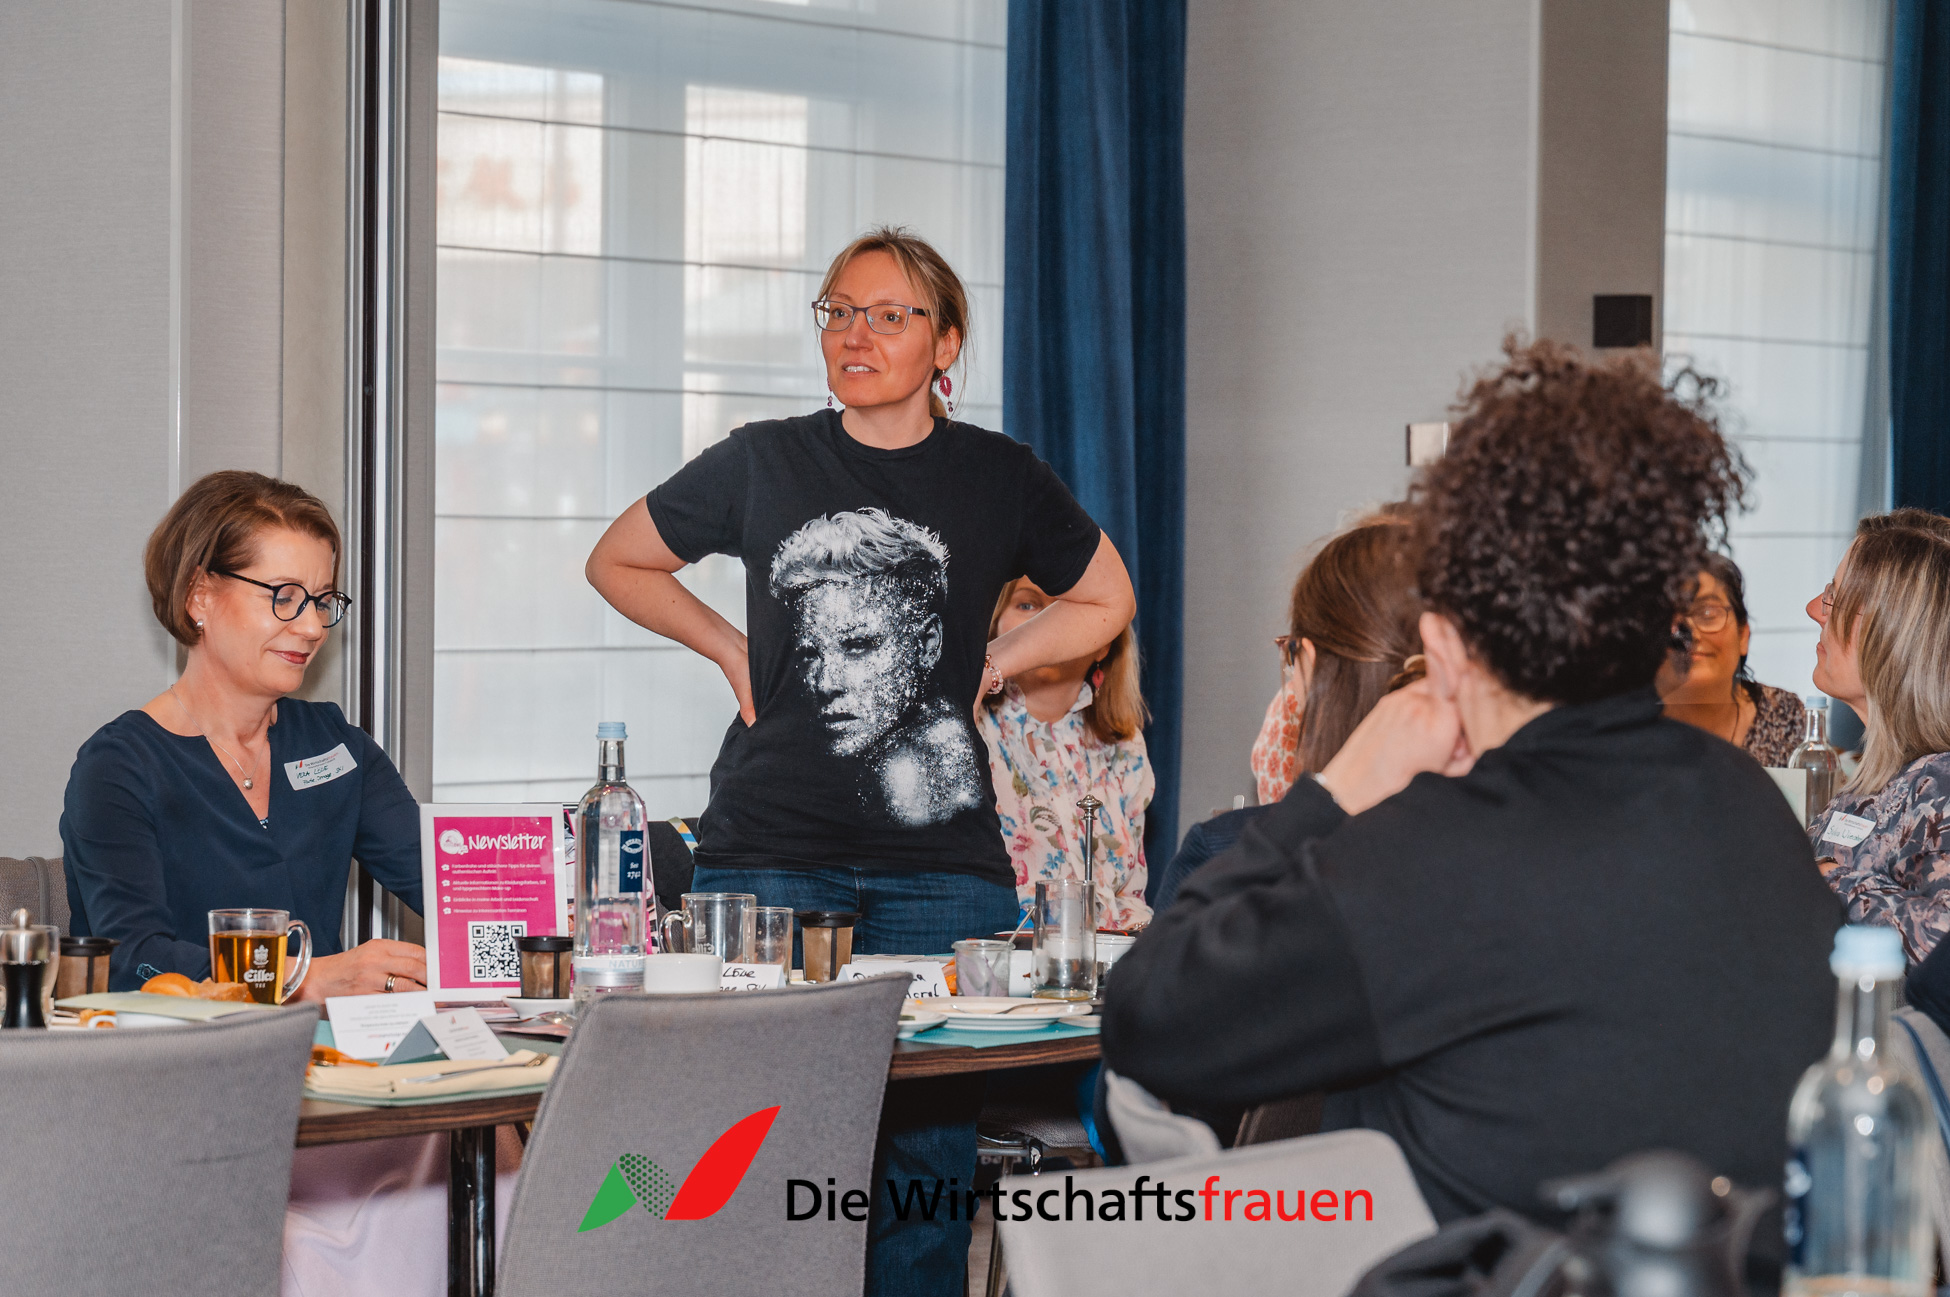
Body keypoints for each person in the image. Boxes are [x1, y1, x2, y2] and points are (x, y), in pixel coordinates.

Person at [1102, 340, 1839, 1261]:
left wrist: (1334, 791)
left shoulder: (1434, 852)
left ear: (1447, 646)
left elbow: (1147, 1017)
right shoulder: (1748, 802)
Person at [585, 225, 1135, 1297]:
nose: (855, 334)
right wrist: (731, 646)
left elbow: (1104, 595)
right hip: (770, 859)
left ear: (946, 343)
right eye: (838, 312)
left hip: (941, 876)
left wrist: (994, 661)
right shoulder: (764, 458)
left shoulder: (1000, 475)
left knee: (921, 1185)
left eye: (888, 315)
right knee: (756, 1160)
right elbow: (620, 559)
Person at [61, 470, 427, 996]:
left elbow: (453, 890)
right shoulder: (120, 766)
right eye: (285, 596)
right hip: (179, 1044)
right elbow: (133, 959)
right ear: (199, 595)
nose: (312, 628)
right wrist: (305, 978)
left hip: (321, 1044)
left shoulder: (335, 745)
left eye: (322, 601)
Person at [1153, 517, 1424, 911]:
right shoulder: (1502, 846)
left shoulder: (1225, 863)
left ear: (1309, 665)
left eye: (1290, 655)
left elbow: (1156, 956)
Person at [1806, 509, 1950, 964]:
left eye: (1835, 597)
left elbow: (1942, 947)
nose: (1814, 609)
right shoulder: (1880, 778)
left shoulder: (1942, 786)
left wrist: (1826, 878)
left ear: (1893, 633)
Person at [977, 577, 1151, 931]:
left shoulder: (1125, 746)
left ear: (1103, 641)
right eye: (1027, 605)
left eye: (1065, 611)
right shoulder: (970, 729)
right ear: (995, 626)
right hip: (1001, 957)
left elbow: (1131, 897)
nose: (1046, 626)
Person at [1656, 552, 1806, 765]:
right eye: (1671, 619)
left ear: (1743, 635)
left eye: (1707, 614)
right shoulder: (1629, 720)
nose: (1691, 634)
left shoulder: (1783, 714)